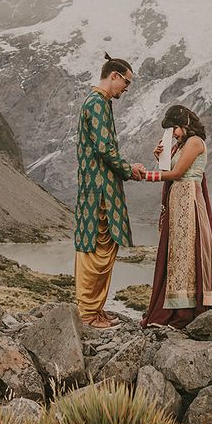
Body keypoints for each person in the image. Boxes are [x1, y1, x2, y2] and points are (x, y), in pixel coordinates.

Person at [74, 54, 146, 328]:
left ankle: (96, 310)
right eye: (126, 82)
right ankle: (89, 315)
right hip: (99, 189)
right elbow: (105, 149)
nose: (126, 89)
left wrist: (127, 167)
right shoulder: (97, 104)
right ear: (113, 75)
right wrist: (129, 169)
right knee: (97, 249)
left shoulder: (98, 103)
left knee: (101, 247)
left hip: (98, 186)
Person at [139, 105, 212, 328]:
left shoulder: (195, 142)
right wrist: (159, 158)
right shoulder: (181, 145)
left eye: (175, 127)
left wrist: (147, 175)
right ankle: (177, 305)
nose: (173, 132)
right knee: (177, 254)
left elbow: (177, 174)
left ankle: (186, 309)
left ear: (185, 123)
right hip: (178, 200)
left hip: (189, 200)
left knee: (187, 252)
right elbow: (170, 170)